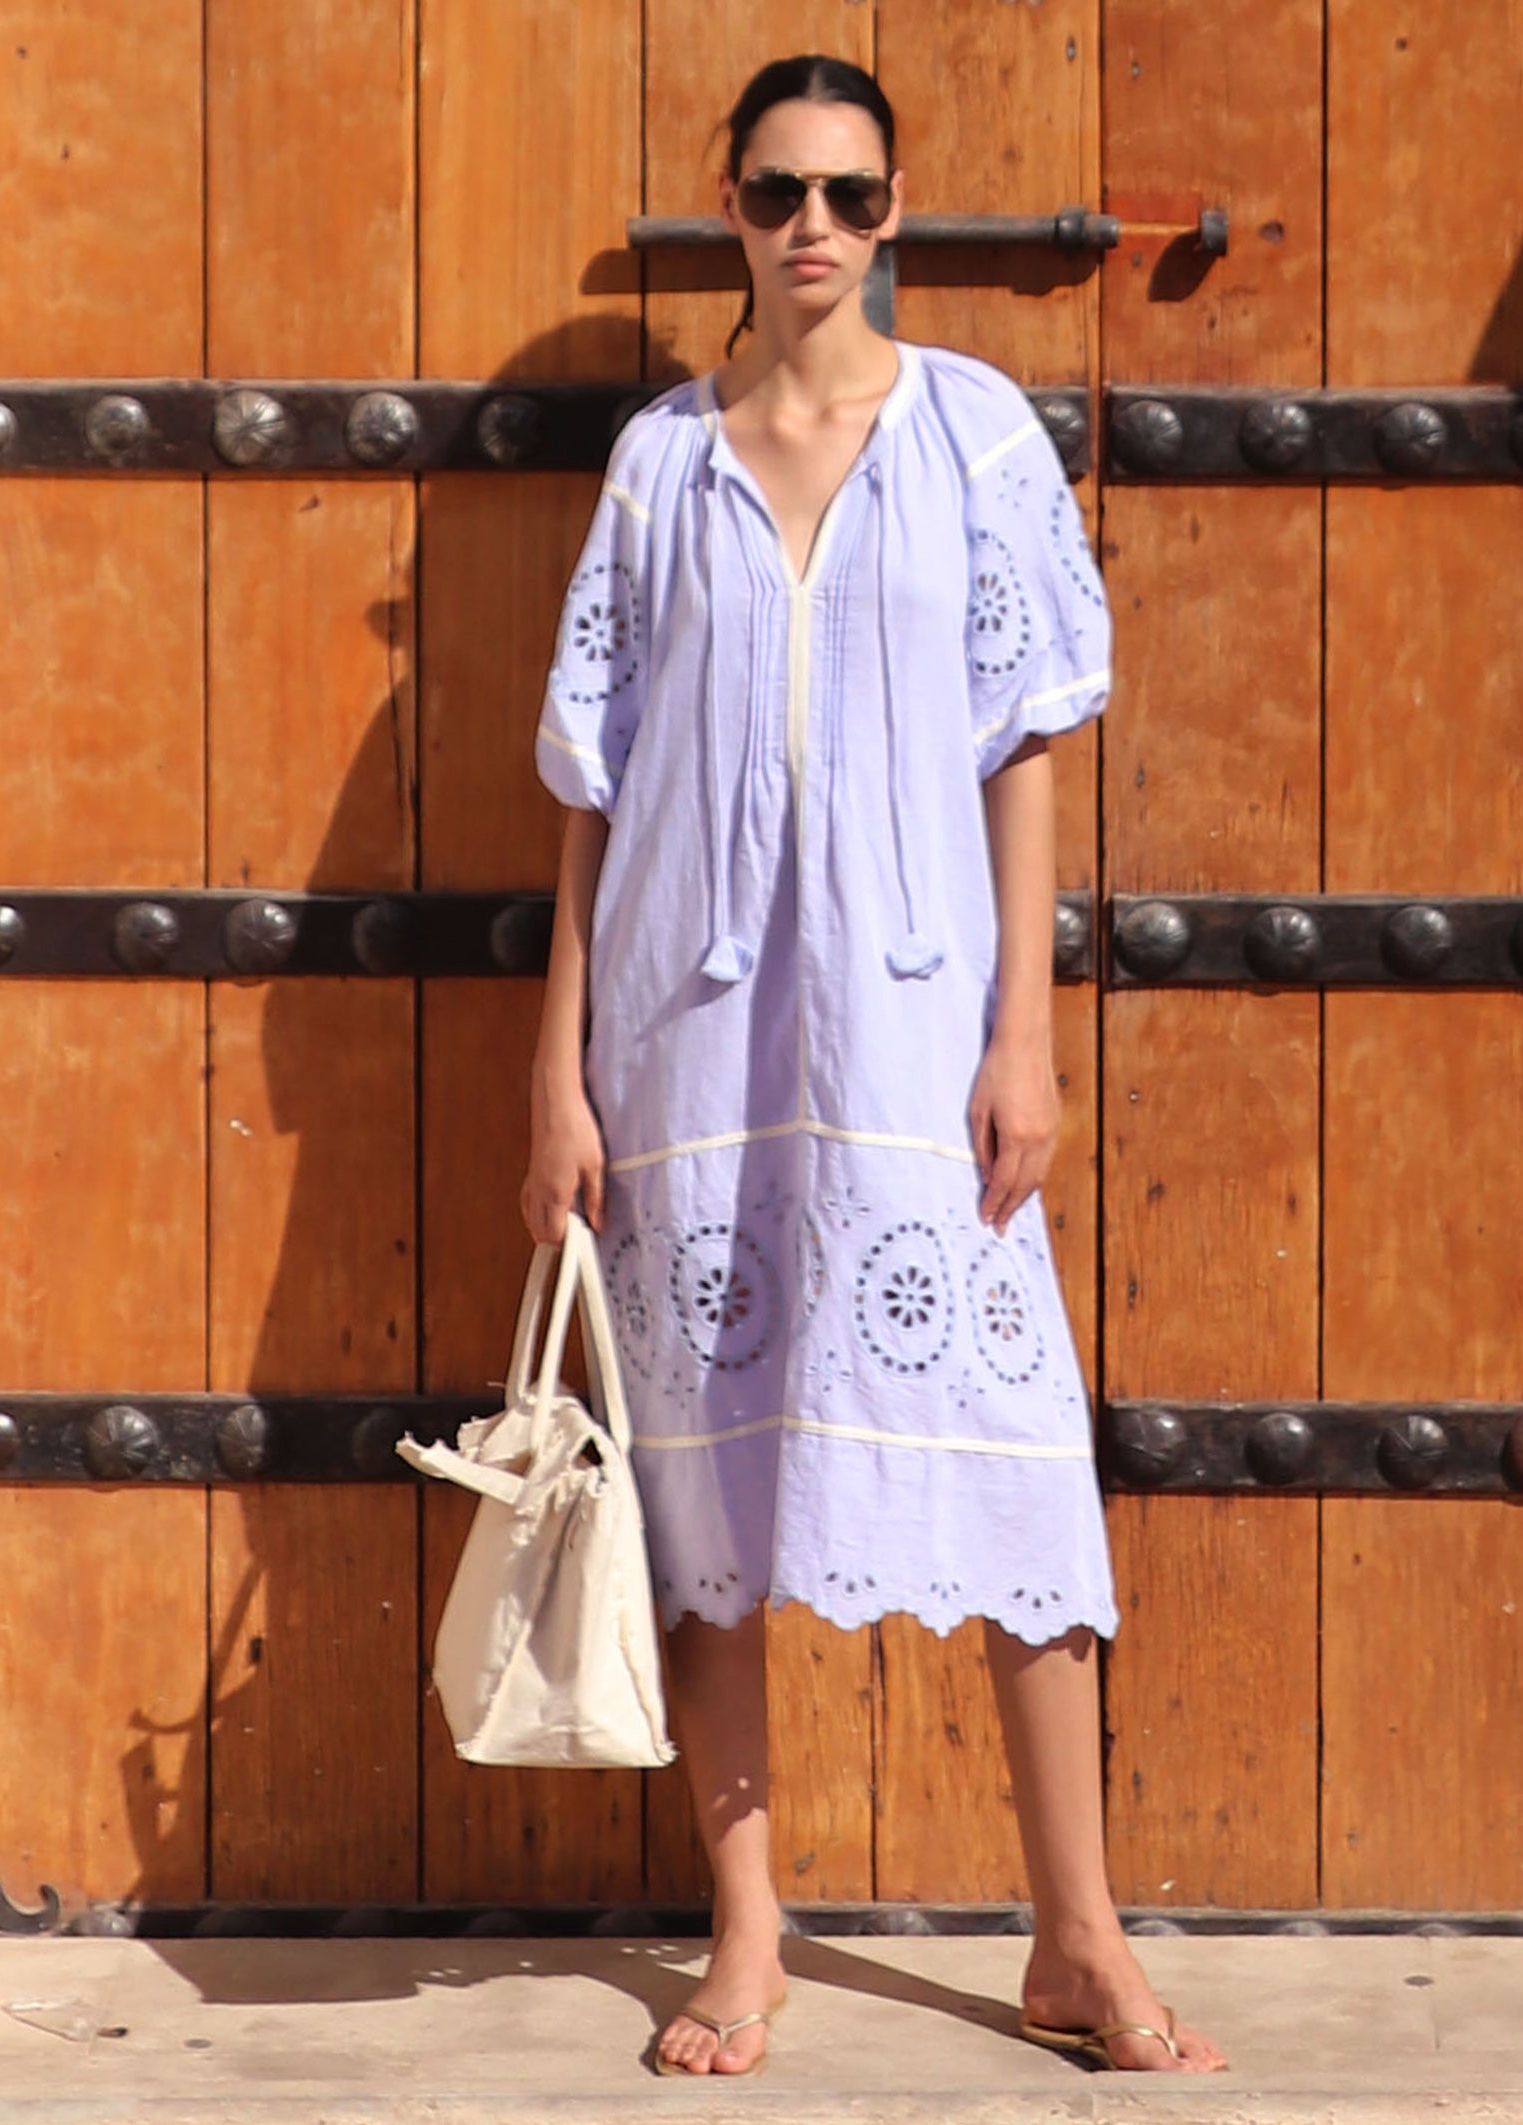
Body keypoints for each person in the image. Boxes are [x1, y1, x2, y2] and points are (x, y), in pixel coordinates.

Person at [521, 52, 1225, 2082]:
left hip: (917, 1036)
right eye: (771, 192)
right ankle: (743, 1928)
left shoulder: (978, 435)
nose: (808, 224)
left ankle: (1071, 1933)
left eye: (842, 191)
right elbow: (588, 785)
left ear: (893, 208)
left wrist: (1026, 1026)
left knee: (1010, 1465)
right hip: (684, 1031)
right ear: (728, 213)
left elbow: (1024, 746)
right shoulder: (658, 462)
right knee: (704, 1484)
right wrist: (553, 1066)